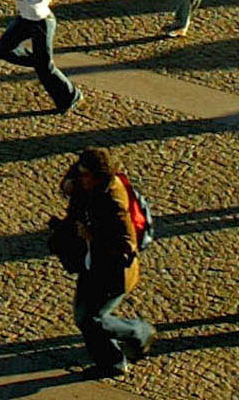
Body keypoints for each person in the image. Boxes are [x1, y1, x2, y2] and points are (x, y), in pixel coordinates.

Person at [50, 147, 154, 374]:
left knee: (91, 320)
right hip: (91, 263)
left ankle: (138, 334)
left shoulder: (113, 203)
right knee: (85, 317)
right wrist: (68, 184)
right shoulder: (87, 181)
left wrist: (93, 235)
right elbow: (73, 175)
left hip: (111, 272)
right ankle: (112, 360)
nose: (78, 177)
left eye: (84, 174)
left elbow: (127, 246)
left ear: (98, 178)